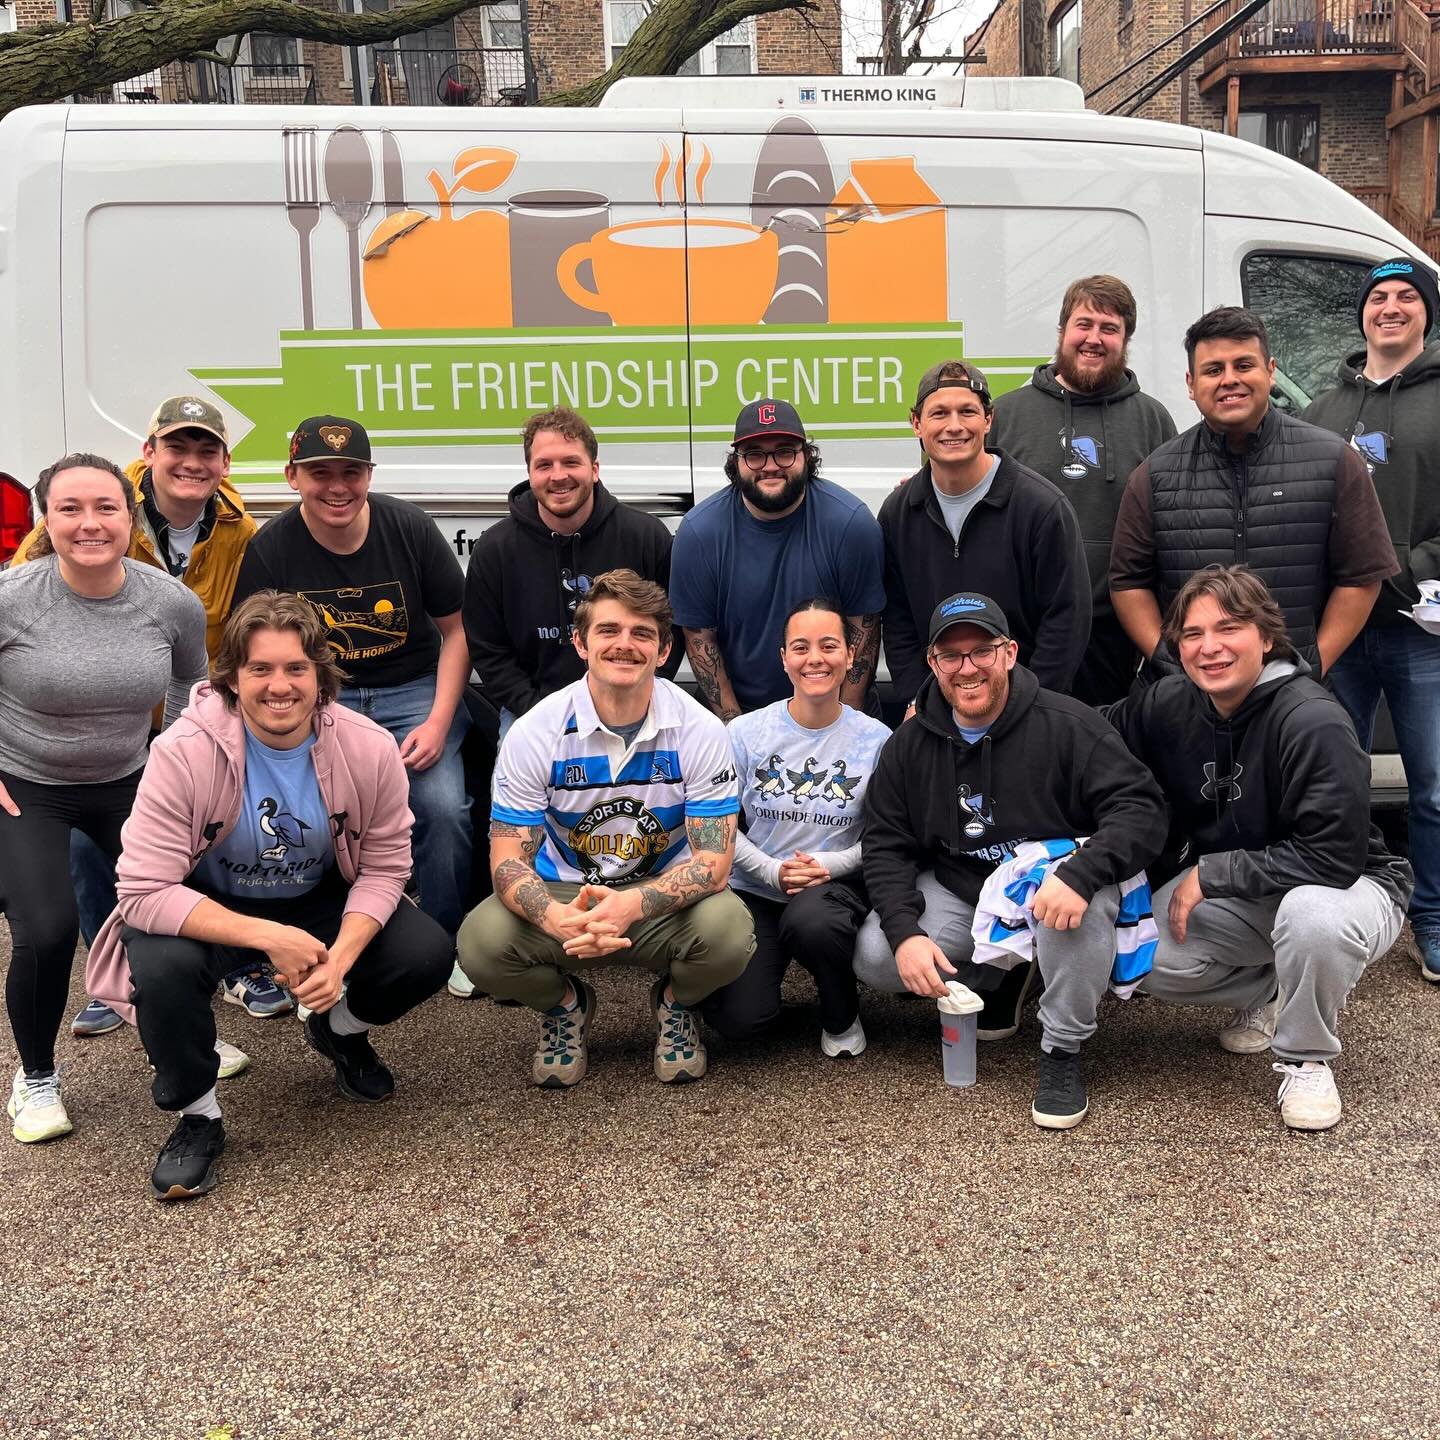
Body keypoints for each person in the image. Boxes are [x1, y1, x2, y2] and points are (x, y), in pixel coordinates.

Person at [84, 591, 452, 1199]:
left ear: (321, 676)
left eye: (296, 668)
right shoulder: (183, 749)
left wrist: (340, 960)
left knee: (427, 953)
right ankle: (199, 1115)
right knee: (159, 966)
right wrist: (269, 937)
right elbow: (143, 889)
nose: (279, 686)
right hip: (215, 905)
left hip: (319, 896)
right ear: (230, 678)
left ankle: (340, 1029)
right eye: (260, 668)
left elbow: (387, 867)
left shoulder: (369, 746)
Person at [1104, 566, 1412, 1130]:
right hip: (1255, 888)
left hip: (1353, 886)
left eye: (1229, 628)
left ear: (1267, 636)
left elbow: (1334, 857)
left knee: (1311, 917)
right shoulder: (1170, 700)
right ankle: (1277, 985)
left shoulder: (1313, 719)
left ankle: (1307, 1056)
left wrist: (1212, 874)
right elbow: (1093, 734)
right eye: (1192, 634)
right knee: (1131, 952)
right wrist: (1013, 713)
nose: (1209, 648)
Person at [856, 593, 1167, 1129]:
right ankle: (1003, 974)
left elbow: (1143, 811)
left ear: (1010, 653)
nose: (967, 667)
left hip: (1058, 885)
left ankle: (1062, 1051)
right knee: (877, 955)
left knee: (1073, 907)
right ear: (932, 664)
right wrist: (906, 932)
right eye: (950, 656)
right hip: (968, 888)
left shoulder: (1069, 725)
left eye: (982, 651)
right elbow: (886, 842)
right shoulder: (909, 744)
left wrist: (1082, 873)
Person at [11, 397, 267, 1032]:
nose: (191, 462)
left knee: (190, 865)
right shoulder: (47, 560)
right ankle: (97, 992)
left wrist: (180, 741)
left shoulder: (237, 535)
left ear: (225, 463)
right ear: (147, 456)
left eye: (206, 450)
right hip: (51, 747)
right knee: (72, 888)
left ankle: (210, 989)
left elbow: (205, 656)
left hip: (160, 725)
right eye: (176, 447)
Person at [456, 569, 755, 1088]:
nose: (625, 645)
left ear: (664, 651)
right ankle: (565, 1007)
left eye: (643, 634)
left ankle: (675, 1003)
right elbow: (507, 862)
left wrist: (630, 906)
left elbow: (713, 863)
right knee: (480, 946)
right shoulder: (536, 732)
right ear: (580, 642)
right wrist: (555, 918)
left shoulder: (701, 728)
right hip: (565, 889)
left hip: (658, 894)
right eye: (609, 631)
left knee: (730, 935)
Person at [0, 453, 207, 1144]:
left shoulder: (170, 601)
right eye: (70, 509)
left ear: (129, 516)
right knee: (48, 929)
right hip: (27, 786)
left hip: (129, 781)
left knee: (176, 913)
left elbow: (189, 685)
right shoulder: (12, 597)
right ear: (46, 519)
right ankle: (35, 1078)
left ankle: (180, 1038)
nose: (89, 524)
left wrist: (168, 762)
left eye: (105, 508)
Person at [232, 416, 473, 976]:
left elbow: (458, 629)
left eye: (351, 472)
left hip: (413, 691)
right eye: (320, 473)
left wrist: (439, 721)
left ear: (369, 474)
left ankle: (447, 941)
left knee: (442, 808)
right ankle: (316, 939)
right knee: (306, 816)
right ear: (292, 476)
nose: (337, 487)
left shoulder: (409, 527)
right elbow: (253, 653)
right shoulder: (271, 548)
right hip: (321, 700)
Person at [1109, 306, 1398, 680]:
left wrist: (1311, 667)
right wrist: (1171, 660)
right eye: (1213, 370)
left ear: (1271, 371)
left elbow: (1361, 576)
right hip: (1190, 698)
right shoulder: (1154, 475)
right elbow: (1128, 583)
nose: (1229, 379)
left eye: (1243, 365)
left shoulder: (1336, 462)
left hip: (1296, 696)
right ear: (1191, 384)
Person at [1303, 257, 1440, 985]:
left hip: (1422, 634)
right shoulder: (1326, 407)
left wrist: (1400, 567)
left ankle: (1434, 918)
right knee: (1336, 779)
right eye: (1378, 297)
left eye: (1406, 297)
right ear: (1361, 314)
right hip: (1340, 633)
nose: (1390, 308)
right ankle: (1346, 905)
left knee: (1434, 786)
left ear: (1426, 313)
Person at [703, 597, 891, 1056]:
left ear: (850, 656)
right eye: (801, 647)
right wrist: (770, 870)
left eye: (829, 646)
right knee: (739, 1021)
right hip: (756, 887)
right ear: (784, 657)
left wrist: (830, 864)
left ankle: (840, 1012)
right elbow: (716, 823)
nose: (815, 659)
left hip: (832, 888)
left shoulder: (876, 740)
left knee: (813, 923)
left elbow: (887, 837)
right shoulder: (744, 733)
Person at [990, 276, 1177, 704]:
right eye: (1083, 324)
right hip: (1020, 632)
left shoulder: (1153, 420)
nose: (1094, 339)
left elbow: (1170, 530)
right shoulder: (1006, 414)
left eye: (1109, 328)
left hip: (1112, 635)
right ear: (1062, 331)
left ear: (1126, 339)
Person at [879, 362, 1090, 707]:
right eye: (939, 414)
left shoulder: (1041, 507)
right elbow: (899, 623)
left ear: (988, 419)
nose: (954, 426)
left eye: (967, 412)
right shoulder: (898, 514)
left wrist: (1034, 707)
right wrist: (917, 702)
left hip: (1025, 710)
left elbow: (1066, 620)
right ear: (916, 423)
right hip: (939, 713)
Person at [463, 406, 679, 733]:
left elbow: (672, 630)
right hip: (533, 713)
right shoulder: (494, 550)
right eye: (544, 465)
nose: (558, 475)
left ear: (594, 469)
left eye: (571, 462)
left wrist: (638, 694)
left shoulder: (646, 538)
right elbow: (488, 650)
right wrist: (539, 711)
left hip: (636, 703)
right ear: (529, 472)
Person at [670, 399, 885, 720]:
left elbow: (863, 629)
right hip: (742, 712)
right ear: (736, 462)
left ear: (807, 456)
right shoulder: (699, 532)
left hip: (834, 708)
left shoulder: (850, 523)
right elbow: (700, 639)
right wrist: (736, 728)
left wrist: (845, 726)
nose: (770, 465)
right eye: (754, 454)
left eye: (785, 451)